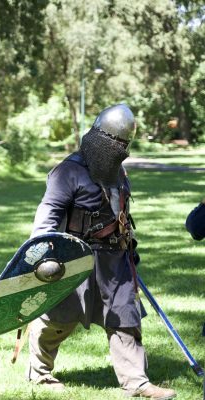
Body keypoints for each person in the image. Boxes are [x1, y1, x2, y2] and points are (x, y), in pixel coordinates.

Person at [27, 104, 176, 399]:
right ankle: (39, 373)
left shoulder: (117, 171)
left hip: (114, 258)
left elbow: (121, 211)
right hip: (74, 258)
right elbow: (48, 214)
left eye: (125, 144)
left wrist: (129, 247)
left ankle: (137, 382)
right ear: (100, 139)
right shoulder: (67, 172)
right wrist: (41, 253)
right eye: (117, 143)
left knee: (125, 317)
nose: (122, 149)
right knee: (58, 320)